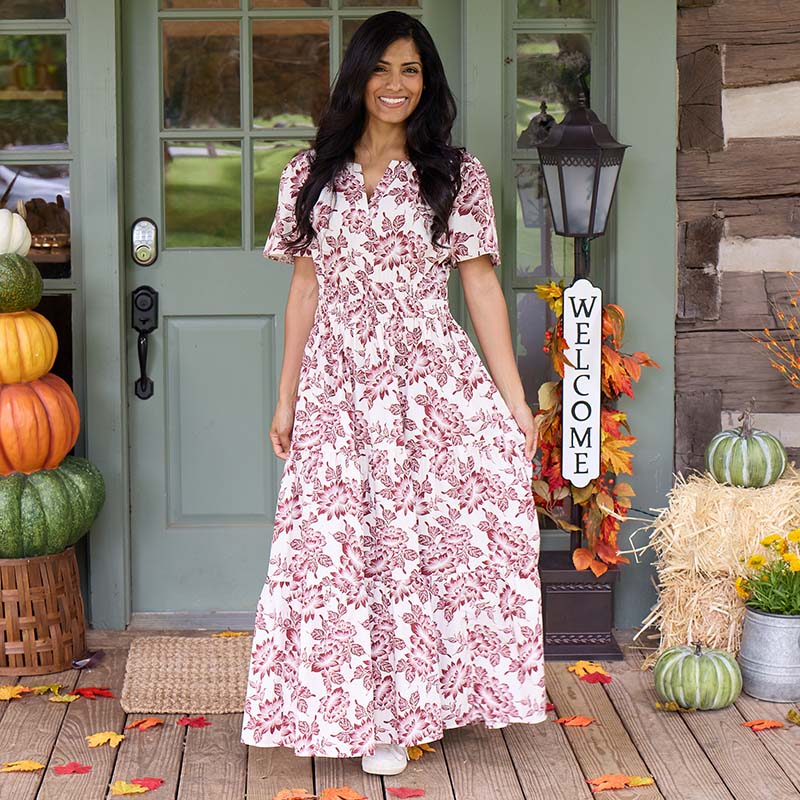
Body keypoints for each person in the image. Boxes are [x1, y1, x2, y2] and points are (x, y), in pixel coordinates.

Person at [240, 10, 547, 777]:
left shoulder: (456, 174)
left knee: (433, 543)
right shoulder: (309, 174)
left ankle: (420, 703)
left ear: (426, 82)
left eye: (411, 70)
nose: (396, 85)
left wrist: (513, 402)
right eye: (383, 69)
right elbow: (305, 290)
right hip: (339, 387)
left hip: (428, 381)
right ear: (358, 77)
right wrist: (285, 396)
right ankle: (369, 715)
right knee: (346, 550)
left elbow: (479, 287)